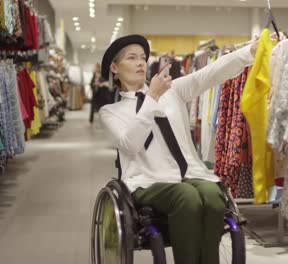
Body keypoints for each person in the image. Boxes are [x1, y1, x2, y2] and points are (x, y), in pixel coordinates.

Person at [99, 34, 257, 264]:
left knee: (214, 196)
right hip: (146, 181)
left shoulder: (173, 91)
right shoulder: (111, 112)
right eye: (131, 58)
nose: (140, 63)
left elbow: (209, 74)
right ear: (115, 67)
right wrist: (152, 96)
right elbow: (130, 144)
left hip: (188, 173)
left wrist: (249, 51)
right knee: (187, 197)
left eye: (143, 57)